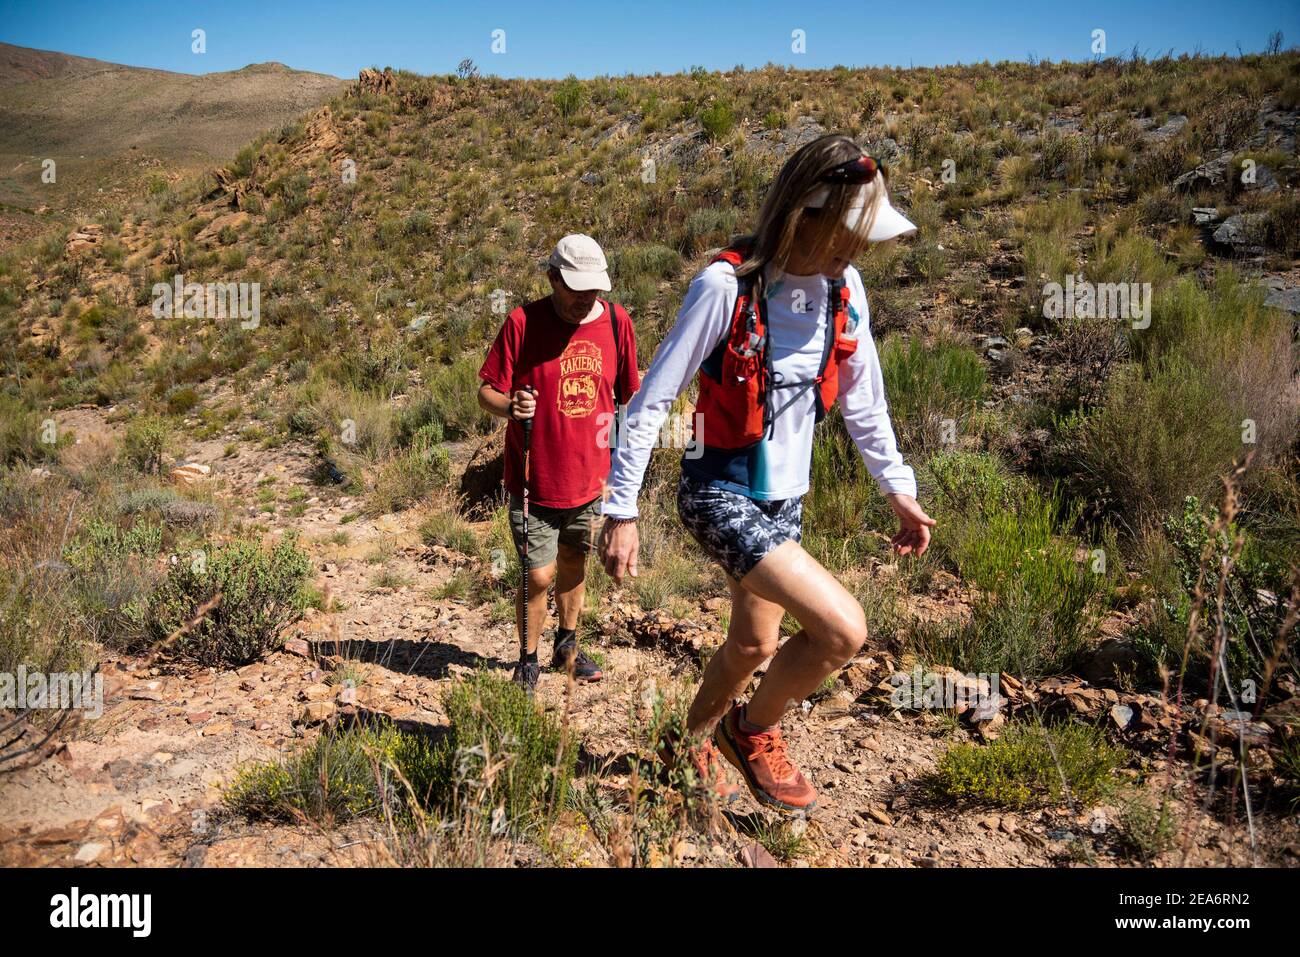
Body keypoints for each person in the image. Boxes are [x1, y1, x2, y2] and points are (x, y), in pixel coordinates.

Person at [597, 135, 935, 813]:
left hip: (786, 499)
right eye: (848, 233)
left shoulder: (847, 288)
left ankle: (683, 744)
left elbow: (865, 398)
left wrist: (897, 487)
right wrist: (622, 507)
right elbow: (654, 397)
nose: (859, 250)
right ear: (801, 217)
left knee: (754, 643)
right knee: (842, 631)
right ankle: (750, 731)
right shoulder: (726, 286)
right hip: (717, 488)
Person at [478, 234, 641, 695]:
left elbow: (630, 396)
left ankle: (566, 646)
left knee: (575, 563)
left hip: (592, 481)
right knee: (537, 575)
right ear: (552, 278)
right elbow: (486, 389)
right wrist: (509, 406)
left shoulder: (616, 324)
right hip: (534, 480)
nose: (585, 299)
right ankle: (527, 660)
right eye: (575, 289)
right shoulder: (522, 322)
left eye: (593, 290)